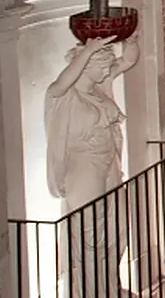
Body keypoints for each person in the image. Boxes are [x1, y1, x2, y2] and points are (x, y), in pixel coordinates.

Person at [46, 36, 139, 208]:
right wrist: (88, 51)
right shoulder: (64, 95)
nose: (107, 72)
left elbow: (128, 60)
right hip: (84, 163)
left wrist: (131, 42)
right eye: (102, 68)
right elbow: (59, 85)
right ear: (86, 67)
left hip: (109, 157)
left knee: (114, 211)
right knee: (90, 214)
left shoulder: (99, 86)